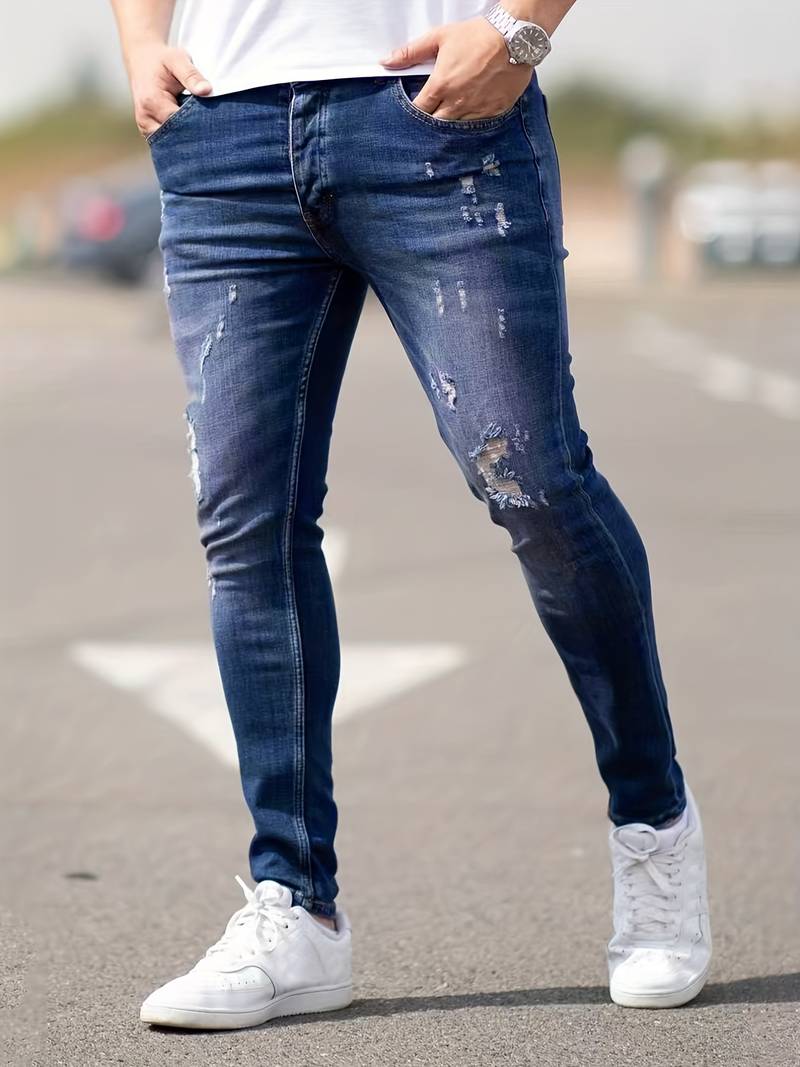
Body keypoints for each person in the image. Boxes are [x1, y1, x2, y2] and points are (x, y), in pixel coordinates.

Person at [109, 0, 712, 1028]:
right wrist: (137, 42)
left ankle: (652, 823)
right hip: (220, 127)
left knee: (530, 482)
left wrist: (520, 30)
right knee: (245, 522)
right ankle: (293, 904)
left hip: (434, 109)